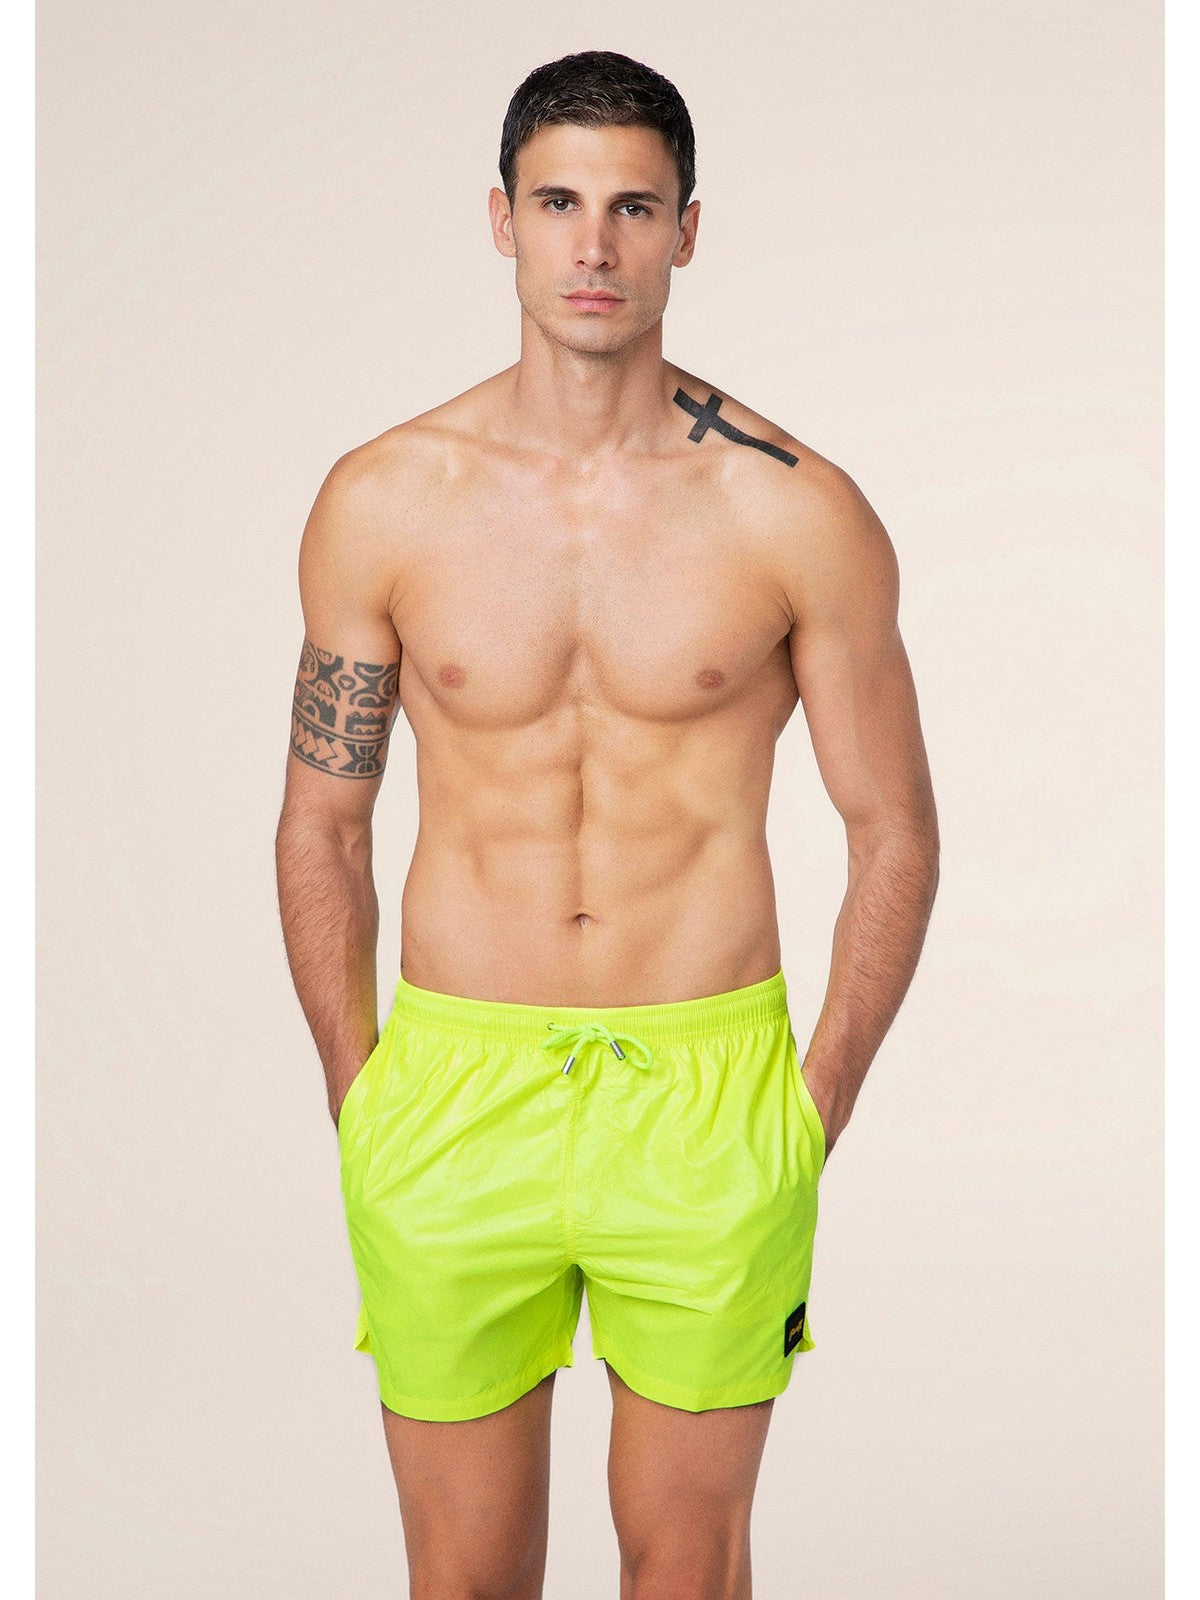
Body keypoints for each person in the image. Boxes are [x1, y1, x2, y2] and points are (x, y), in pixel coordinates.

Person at [275, 47, 939, 1600]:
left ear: (686, 232)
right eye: (559, 203)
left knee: (687, 1571)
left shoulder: (796, 510)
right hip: (453, 1088)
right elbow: (322, 821)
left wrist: (811, 1107)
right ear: (499, 220)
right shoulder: (385, 499)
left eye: (633, 208)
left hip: (707, 1092)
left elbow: (893, 828)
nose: (594, 244)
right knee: (462, 1580)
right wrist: (360, 1097)